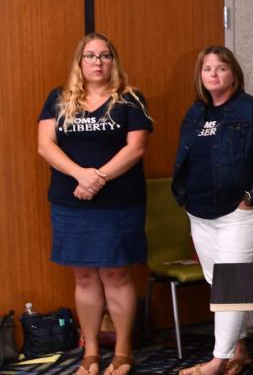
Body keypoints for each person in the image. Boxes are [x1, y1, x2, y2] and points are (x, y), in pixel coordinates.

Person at [37, 33, 152, 375]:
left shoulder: (131, 100)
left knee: (117, 274)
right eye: (90, 56)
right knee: (85, 276)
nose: (97, 62)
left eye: (104, 56)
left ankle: (122, 350)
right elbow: (46, 145)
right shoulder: (57, 98)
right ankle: (90, 350)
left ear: (113, 61)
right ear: (80, 62)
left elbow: (136, 149)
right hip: (71, 202)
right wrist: (81, 176)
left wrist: (97, 177)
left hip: (119, 203)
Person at [172, 46, 253, 375]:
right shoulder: (196, 114)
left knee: (230, 283)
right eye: (207, 69)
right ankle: (239, 350)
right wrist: (184, 197)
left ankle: (217, 362)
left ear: (234, 73)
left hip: (241, 212)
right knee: (218, 282)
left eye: (220, 68)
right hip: (200, 212)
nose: (213, 74)